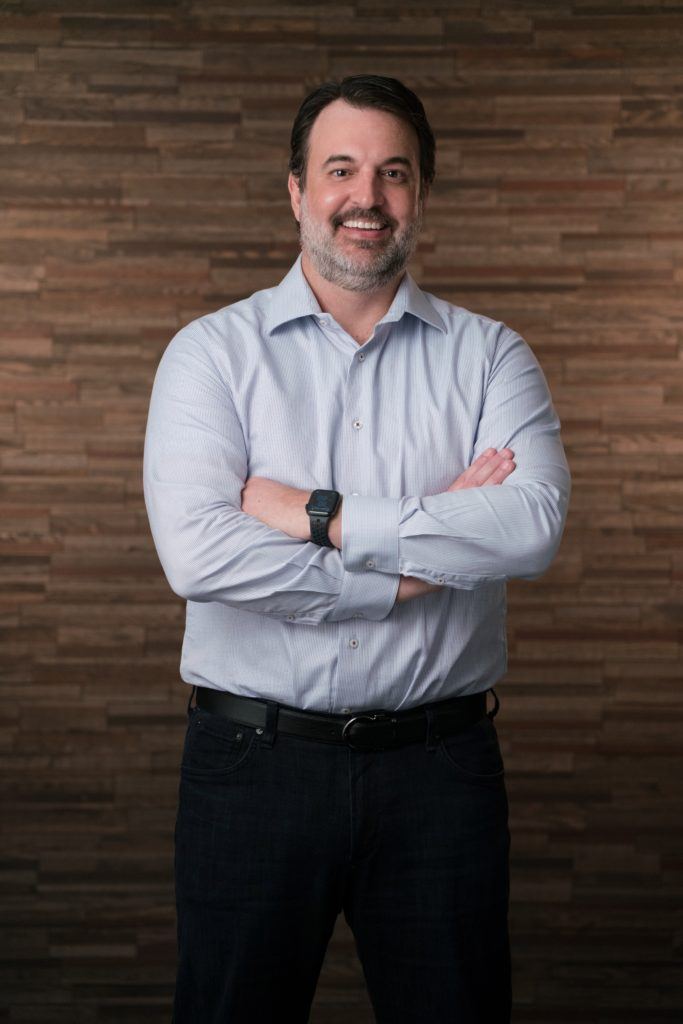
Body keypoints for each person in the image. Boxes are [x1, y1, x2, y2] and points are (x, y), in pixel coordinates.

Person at [143, 75, 570, 1024]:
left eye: (393, 173)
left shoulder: (493, 358)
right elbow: (199, 557)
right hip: (251, 765)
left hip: (440, 773)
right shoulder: (211, 355)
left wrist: (318, 514)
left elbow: (529, 527)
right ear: (296, 190)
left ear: (420, 194)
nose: (365, 197)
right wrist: (423, 554)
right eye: (339, 170)